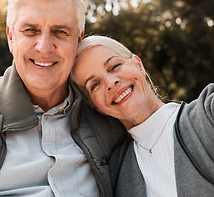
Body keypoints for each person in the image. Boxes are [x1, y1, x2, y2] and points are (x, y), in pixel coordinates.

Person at [0, 0, 125, 197]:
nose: (44, 47)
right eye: (31, 30)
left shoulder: (111, 117)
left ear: (78, 41)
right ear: (11, 38)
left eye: (60, 32)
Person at [71, 35, 214, 197]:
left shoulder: (207, 114)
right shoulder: (114, 172)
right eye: (95, 85)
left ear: (139, 65)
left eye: (115, 66)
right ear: (94, 106)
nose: (111, 83)